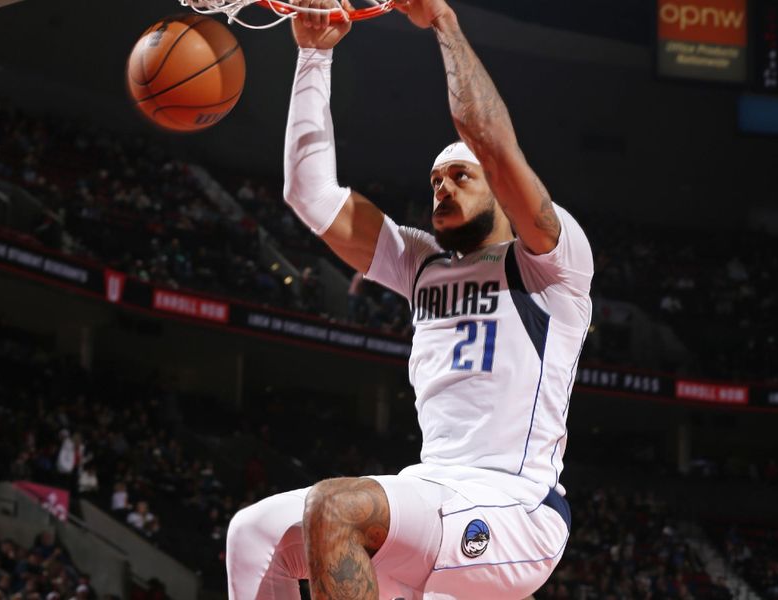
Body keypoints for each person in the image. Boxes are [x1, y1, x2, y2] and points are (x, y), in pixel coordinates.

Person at [226, 0, 593, 598]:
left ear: (501, 193)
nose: (441, 187)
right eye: (434, 182)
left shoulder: (550, 263)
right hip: (432, 491)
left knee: (336, 505)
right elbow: (309, 193)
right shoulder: (422, 265)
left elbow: (492, 143)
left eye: (459, 178)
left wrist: (443, 22)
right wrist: (314, 55)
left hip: (517, 508)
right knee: (252, 532)